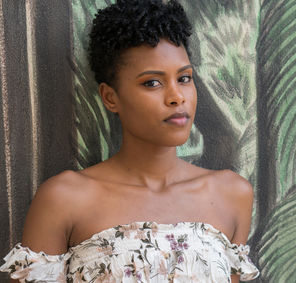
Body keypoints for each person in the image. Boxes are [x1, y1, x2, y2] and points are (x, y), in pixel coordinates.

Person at [0, 0, 259, 282]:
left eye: (184, 78)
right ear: (111, 97)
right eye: (152, 82)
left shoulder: (233, 194)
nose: (177, 96)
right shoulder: (63, 199)